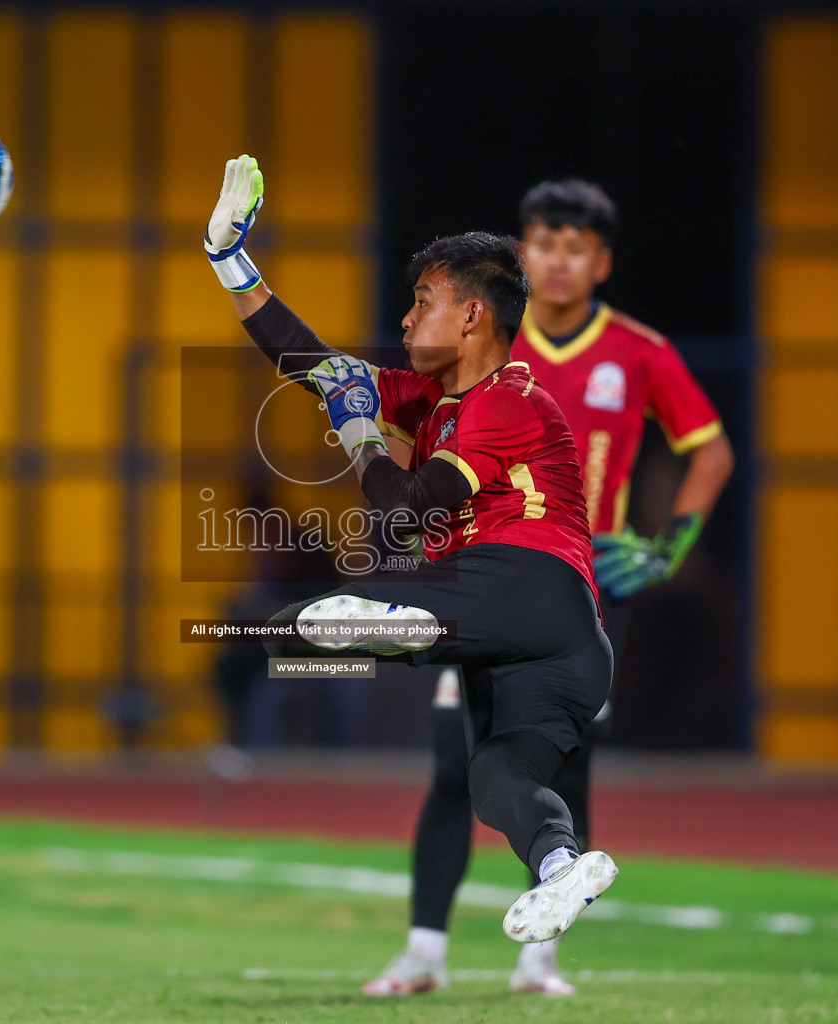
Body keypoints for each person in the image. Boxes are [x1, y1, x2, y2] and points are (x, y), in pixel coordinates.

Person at [205, 155, 620, 956]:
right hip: (558, 650)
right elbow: (312, 364)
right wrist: (230, 260)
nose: (404, 319)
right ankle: (562, 863)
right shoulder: (430, 397)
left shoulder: (508, 400)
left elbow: (400, 508)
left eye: (421, 302)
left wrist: (361, 431)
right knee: (501, 783)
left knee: (319, 620)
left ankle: (397, 624)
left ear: (471, 316)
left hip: (524, 588)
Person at [365, 179, 736, 995]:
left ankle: (541, 954)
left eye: (575, 246)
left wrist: (669, 548)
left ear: (600, 262)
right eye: (543, 242)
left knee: (563, 761)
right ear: (521, 255)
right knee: (450, 763)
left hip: (580, 585)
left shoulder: (638, 351)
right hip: (485, 576)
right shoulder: (488, 343)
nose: (558, 260)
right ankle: (424, 950)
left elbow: (709, 449)